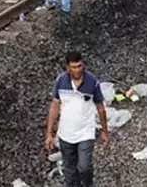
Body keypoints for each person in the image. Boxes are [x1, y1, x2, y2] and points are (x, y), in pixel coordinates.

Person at [45, 51, 110, 187]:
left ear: (83, 65)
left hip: (85, 132)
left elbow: (100, 107)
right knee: (69, 168)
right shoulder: (61, 81)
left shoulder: (92, 81)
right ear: (68, 68)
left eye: (79, 66)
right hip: (65, 133)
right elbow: (54, 107)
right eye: (74, 67)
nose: (77, 70)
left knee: (84, 167)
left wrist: (105, 131)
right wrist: (49, 133)